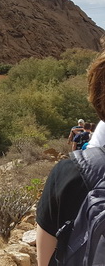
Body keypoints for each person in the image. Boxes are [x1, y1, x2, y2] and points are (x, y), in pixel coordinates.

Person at [36, 52, 105, 265]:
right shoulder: (86, 130)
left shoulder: (67, 174)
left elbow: (46, 260)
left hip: (87, 161)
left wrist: (73, 154)